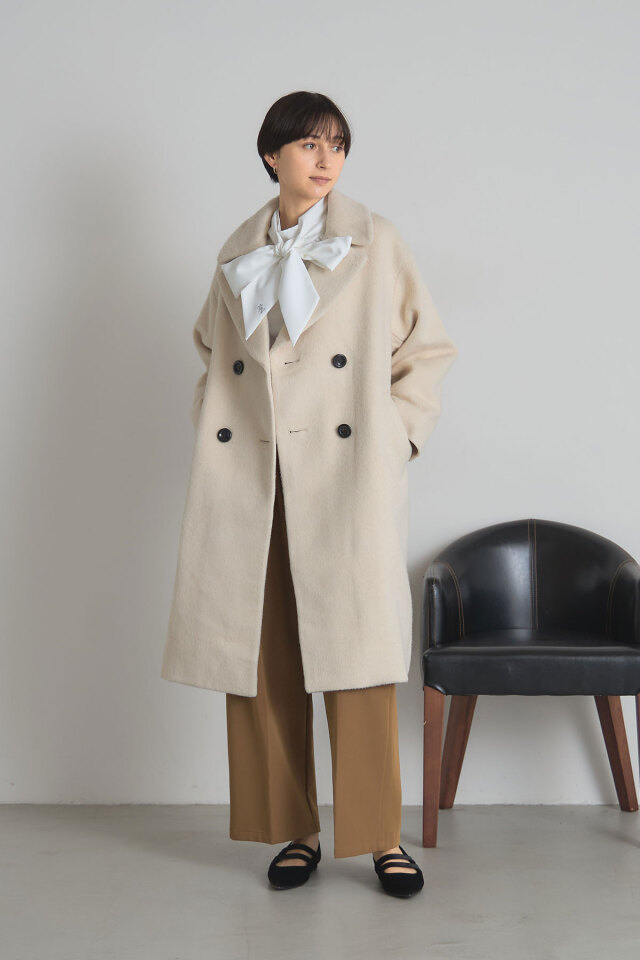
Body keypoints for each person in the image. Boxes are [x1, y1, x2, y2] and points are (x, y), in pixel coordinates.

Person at [161, 91, 458, 898]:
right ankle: (296, 831)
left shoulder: (375, 241)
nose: (326, 160)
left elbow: (426, 350)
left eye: (338, 145)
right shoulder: (237, 250)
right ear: (272, 155)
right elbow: (210, 352)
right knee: (261, 659)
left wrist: (395, 442)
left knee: (357, 660)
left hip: (345, 477)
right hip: (254, 482)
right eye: (308, 145)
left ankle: (380, 837)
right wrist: (213, 425)